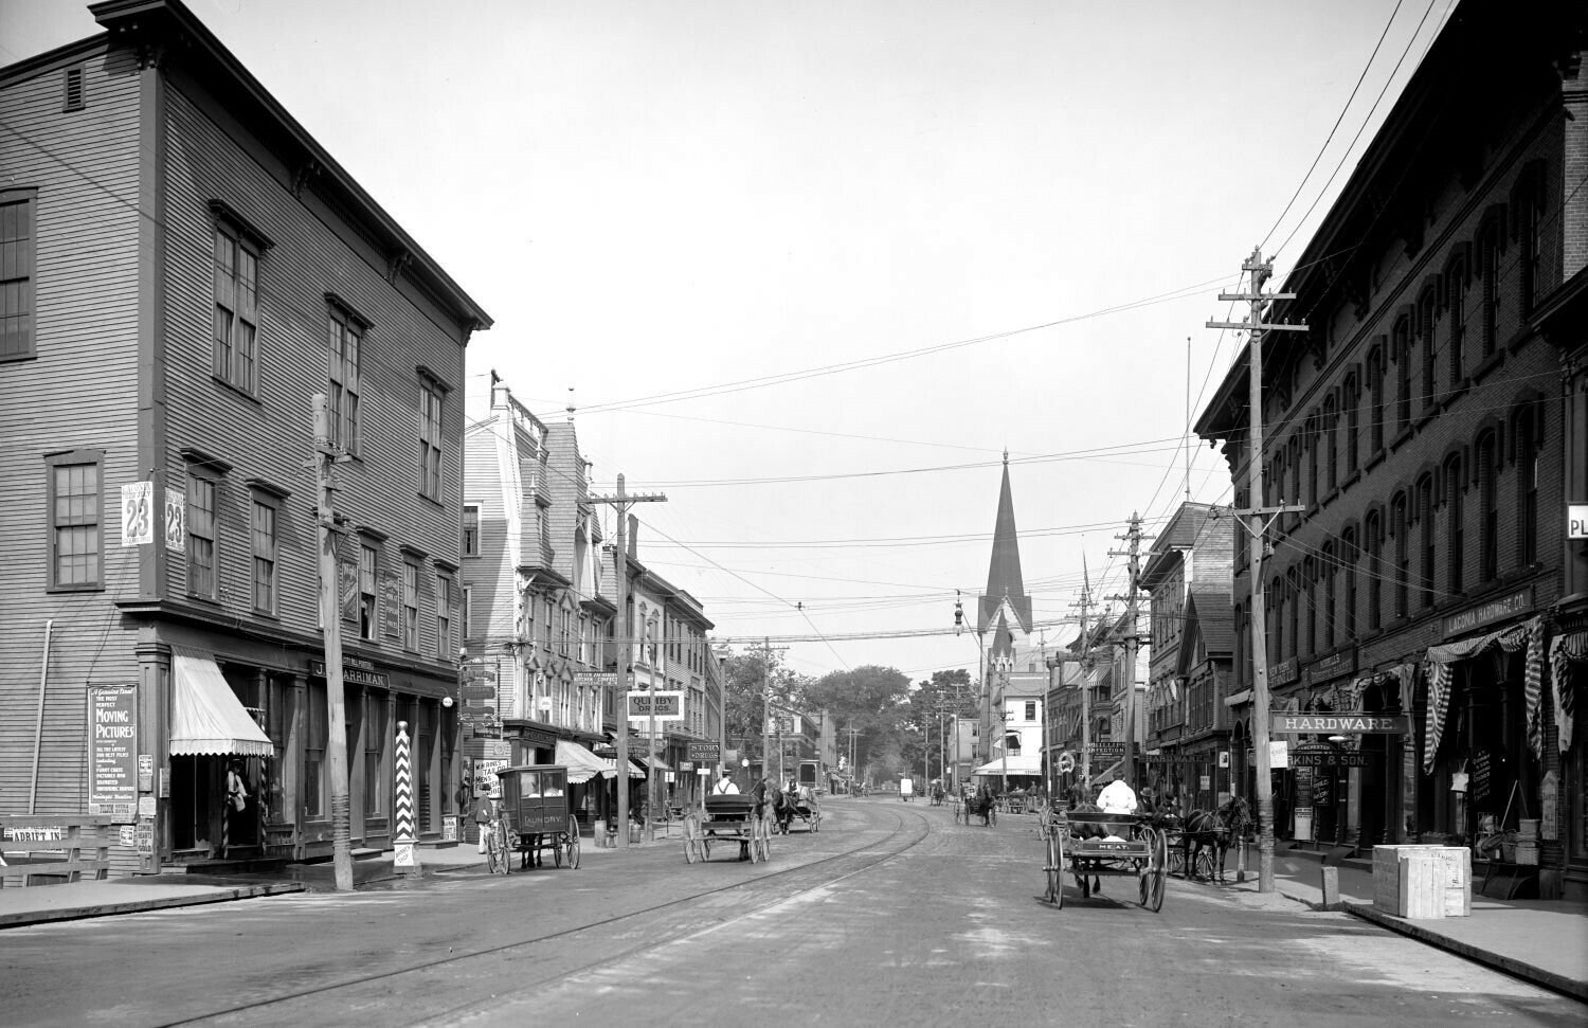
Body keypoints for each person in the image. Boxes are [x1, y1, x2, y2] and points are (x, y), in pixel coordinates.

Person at [473, 790, 495, 854]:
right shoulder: (486, 799)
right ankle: (490, 848)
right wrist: (491, 818)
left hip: (479, 818)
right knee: (488, 833)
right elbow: (488, 809)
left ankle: (481, 849)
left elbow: (476, 809)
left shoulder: (479, 799)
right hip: (484, 818)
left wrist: (476, 818)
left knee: (481, 834)